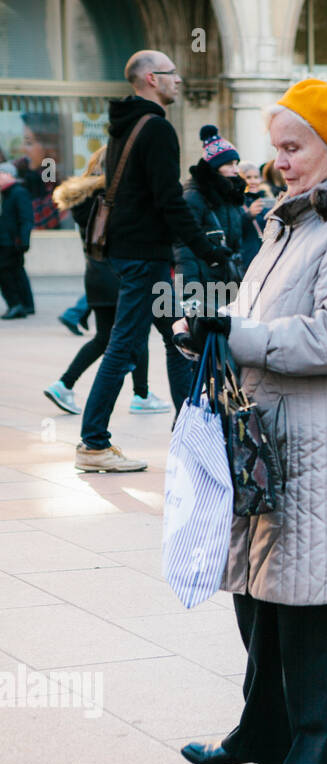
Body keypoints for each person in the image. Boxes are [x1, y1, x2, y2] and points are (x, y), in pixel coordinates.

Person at [174, 78, 327, 764]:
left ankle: (319, 762)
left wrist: (242, 335)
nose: (278, 160)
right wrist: (212, 331)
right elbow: (263, 317)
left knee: (308, 604)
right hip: (275, 436)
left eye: (293, 146)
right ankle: (264, 734)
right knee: (260, 595)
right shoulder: (294, 222)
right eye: (275, 146)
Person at [73, 49, 232, 474]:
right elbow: (169, 202)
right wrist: (208, 251)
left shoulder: (126, 127)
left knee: (179, 339)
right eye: (171, 73)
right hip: (145, 257)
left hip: (137, 254)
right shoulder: (157, 129)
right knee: (122, 346)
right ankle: (93, 443)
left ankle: (189, 433)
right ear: (150, 80)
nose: (178, 79)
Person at [44, 148, 169, 415]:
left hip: (96, 276)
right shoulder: (112, 196)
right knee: (134, 335)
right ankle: (141, 395)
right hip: (119, 275)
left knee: (106, 337)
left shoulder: (82, 196)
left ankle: (65, 384)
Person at [173, 125, 258, 293]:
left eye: (236, 164)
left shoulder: (231, 195)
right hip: (203, 283)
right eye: (229, 164)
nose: (235, 170)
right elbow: (183, 245)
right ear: (214, 166)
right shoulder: (194, 196)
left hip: (231, 279)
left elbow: (237, 240)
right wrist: (189, 287)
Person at [0, 161, 34, 319]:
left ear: (9, 175)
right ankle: (25, 305)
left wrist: (24, 240)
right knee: (17, 272)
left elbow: (26, 219)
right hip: (6, 241)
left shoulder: (18, 192)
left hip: (12, 242)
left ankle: (16, 304)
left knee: (8, 273)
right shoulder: (5, 194)